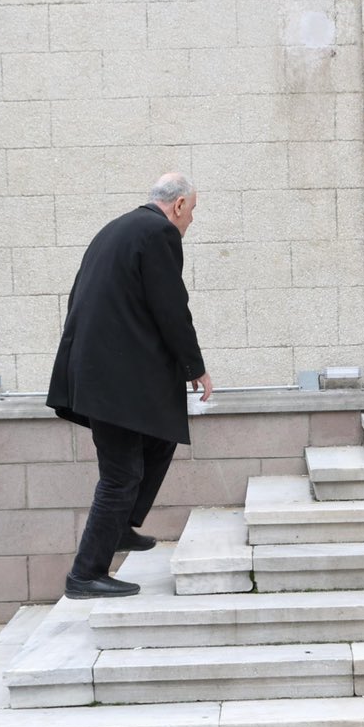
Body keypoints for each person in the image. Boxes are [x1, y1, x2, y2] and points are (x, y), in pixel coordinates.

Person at [47, 173, 214, 598]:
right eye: (192, 212)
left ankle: (119, 526)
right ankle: (85, 575)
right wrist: (194, 365)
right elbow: (171, 304)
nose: (191, 221)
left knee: (161, 437)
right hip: (112, 381)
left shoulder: (119, 228)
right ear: (178, 205)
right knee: (120, 477)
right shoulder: (159, 232)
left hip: (103, 375)